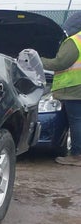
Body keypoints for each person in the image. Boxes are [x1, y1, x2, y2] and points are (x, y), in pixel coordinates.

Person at [41, 11, 81, 165]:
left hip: (73, 88)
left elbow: (60, 63)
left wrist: (39, 60)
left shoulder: (74, 41)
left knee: (76, 122)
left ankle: (77, 155)